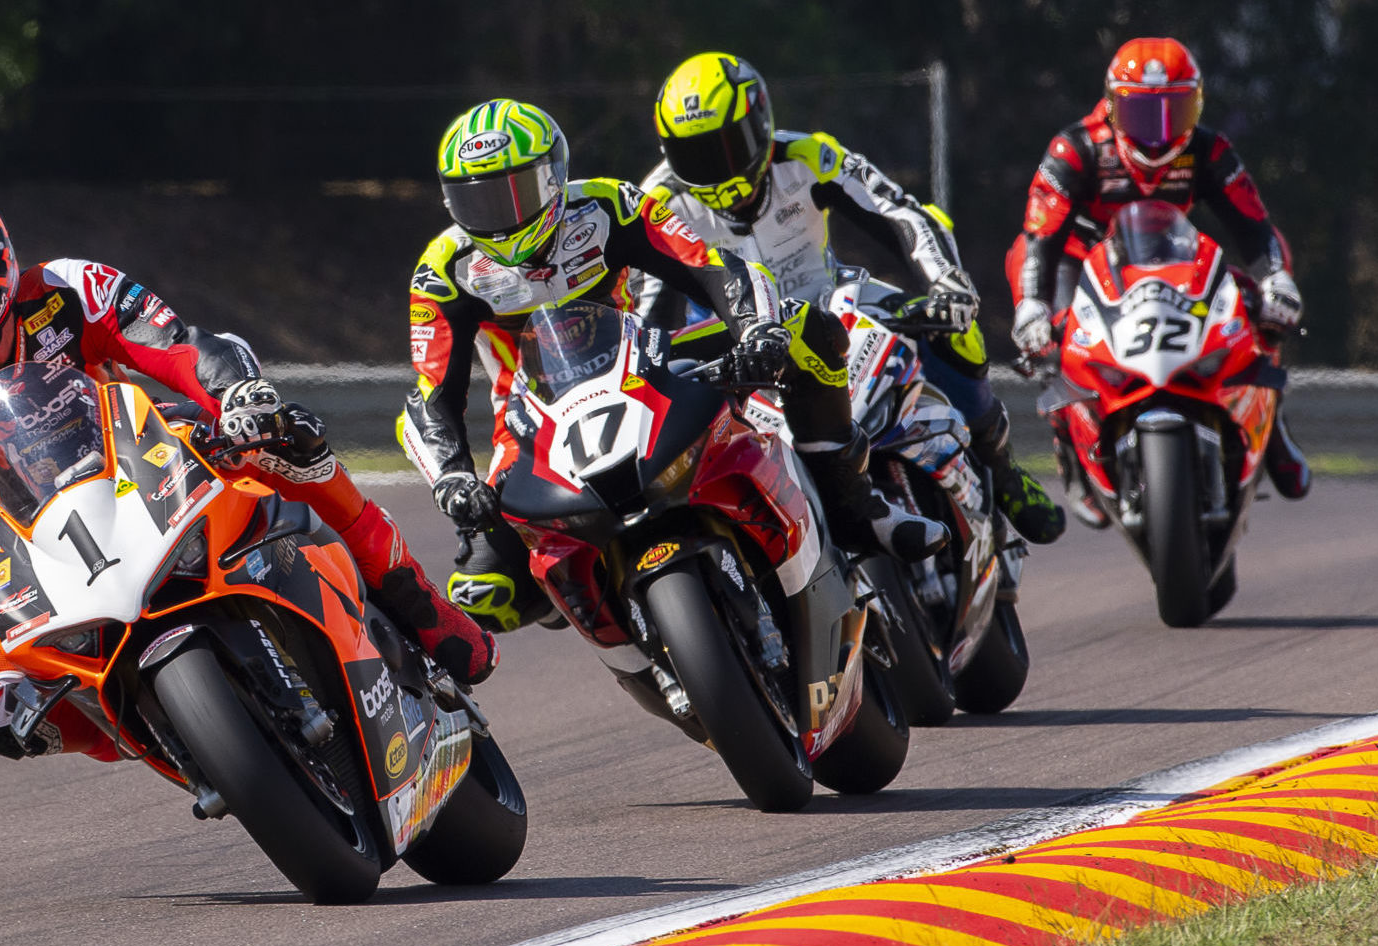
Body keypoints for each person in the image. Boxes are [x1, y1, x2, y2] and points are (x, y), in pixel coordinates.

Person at [0, 177, 495, 760]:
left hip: (143, 454)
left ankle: (417, 602)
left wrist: (234, 397)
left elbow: (176, 347)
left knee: (284, 444)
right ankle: (159, 735)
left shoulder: (68, 288)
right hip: (42, 533)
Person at [401, 98, 947, 638]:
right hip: (529, 422)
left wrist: (756, 329)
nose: (500, 216)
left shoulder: (609, 206)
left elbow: (711, 267)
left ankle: (855, 508)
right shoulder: (443, 272)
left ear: (552, 177)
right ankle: (575, 598)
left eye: (513, 192)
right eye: (477, 200)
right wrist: (451, 476)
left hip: (643, 363)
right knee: (488, 592)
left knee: (809, 328)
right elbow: (432, 394)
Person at [642, 51, 1066, 547]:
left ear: (759, 123)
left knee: (955, 328)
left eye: (727, 148)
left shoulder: (808, 157)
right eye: (695, 156)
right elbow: (645, 307)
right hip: (740, 346)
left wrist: (948, 281)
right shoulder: (657, 202)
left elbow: (902, 214)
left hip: (834, 301)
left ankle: (1003, 469)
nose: (715, 171)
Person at [1006, 37, 1310, 525]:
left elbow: (1253, 225)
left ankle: (1270, 419)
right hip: (1082, 258)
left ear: (1198, 105)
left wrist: (1276, 279)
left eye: (1175, 111)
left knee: (1260, 296)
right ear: (1111, 106)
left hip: (1168, 255)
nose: (1159, 133)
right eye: (1142, 114)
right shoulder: (1075, 148)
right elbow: (1040, 234)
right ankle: (1069, 440)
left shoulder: (1211, 149)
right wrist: (1033, 309)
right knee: (1041, 307)